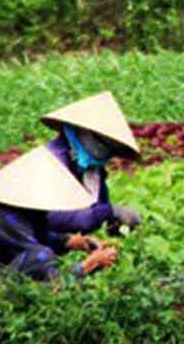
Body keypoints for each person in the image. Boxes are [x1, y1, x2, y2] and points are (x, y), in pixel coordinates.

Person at [0, 146, 119, 286]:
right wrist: (90, 264)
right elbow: (42, 262)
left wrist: (74, 242)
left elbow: (36, 233)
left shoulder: (10, 207)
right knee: (42, 258)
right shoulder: (4, 218)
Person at [39, 91, 144, 238]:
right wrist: (110, 211)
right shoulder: (52, 161)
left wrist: (113, 223)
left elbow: (95, 208)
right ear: (81, 131)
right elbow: (51, 219)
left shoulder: (92, 168)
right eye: (102, 141)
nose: (102, 149)